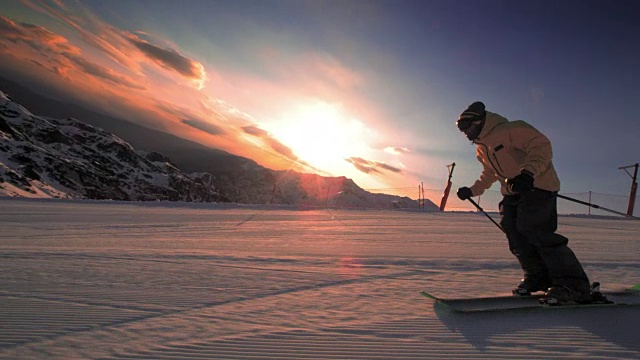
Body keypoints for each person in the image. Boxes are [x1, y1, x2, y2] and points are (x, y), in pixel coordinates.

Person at [455, 101, 592, 304]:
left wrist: (528, 173)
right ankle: (537, 278)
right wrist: (473, 190)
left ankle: (574, 286)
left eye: (466, 127)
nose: (465, 132)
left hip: (538, 186)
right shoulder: (481, 148)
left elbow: (541, 146)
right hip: (512, 193)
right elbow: (489, 174)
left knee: (535, 229)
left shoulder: (511, 129)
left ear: (478, 121)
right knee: (513, 231)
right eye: (461, 129)